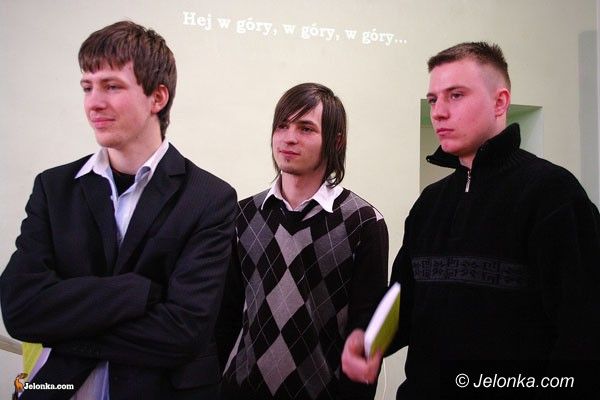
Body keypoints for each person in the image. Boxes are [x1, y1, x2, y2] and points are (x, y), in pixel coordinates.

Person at [341, 42, 600, 398]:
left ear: (500, 102)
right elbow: (403, 302)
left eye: (456, 95)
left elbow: (583, 332)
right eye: (433, 100)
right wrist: (370, 339)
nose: (439, 112)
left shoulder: (553, 194)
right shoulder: (430, 203)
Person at [0, 20, 237, 399]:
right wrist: (139, 293)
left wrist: (64, 323)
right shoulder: (54, 187)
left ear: (157, 98)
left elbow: (184, 332)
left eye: (112, 86)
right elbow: (19, 310)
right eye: (87, 87)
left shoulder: (210, 198)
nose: (94, 102)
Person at [217, 83, 389, 399]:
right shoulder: (242, 216)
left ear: (335, 141)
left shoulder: (363, 222)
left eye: (306, 128)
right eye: (282, 126)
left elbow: (365, 334)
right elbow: (224, 320)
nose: (289, 137)